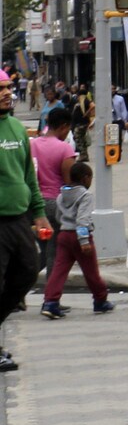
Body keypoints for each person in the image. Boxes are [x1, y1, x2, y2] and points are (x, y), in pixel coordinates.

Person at [0, 71, 50, 366]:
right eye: (1, 89)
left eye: (8, 88)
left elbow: (29, 177)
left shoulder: (18, 128)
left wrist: (40, 214)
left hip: (19, 219)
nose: (7, 93)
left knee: (27, 274)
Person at [40, 161, 112, 320]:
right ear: (85, 178)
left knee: (59, 271)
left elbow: (59, 217)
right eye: (90, 177)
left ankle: (50, 302)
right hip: (80, 237)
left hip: (64, 235)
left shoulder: (61, 195)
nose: (91, 181)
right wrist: (84, 240)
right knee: (91, 271)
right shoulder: (85, 196)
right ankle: (100, 300)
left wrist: (65, 226)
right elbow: (83, 219)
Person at [29, 113, 76, 273]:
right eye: (68, 129)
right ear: (63, 126)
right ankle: (51, 294)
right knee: (53, 252)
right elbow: (70, 182)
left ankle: (20, 285)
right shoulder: (65, 149)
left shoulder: (32, 144)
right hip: (53, 206)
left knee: (40, 250)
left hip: (31, 206)